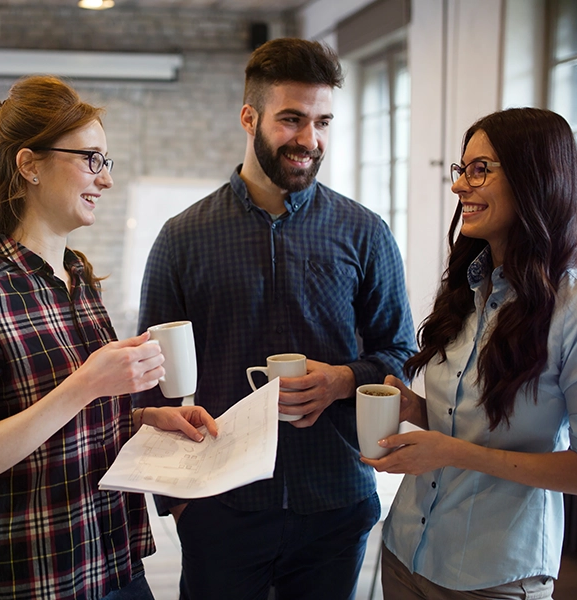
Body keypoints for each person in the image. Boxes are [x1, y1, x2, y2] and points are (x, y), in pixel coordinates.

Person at [136, 37, 416, 600]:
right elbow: (153, 375)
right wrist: (179, 502)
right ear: (249, 116)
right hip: (218, 503)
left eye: (322, 122)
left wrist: (342, 380)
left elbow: (400, 353)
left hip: (335, 501)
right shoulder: (182, 237)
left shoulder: (365, 232)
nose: (309, 140)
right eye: (292, 119)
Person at [0, 75, 218, 600]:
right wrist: (88, 383)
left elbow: (65, 422)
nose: (104, 180)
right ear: (29, 164)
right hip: (38, 576)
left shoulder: (77, 277)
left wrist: (145, 418)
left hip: (112, 556)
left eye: (106, 162)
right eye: (91, 159)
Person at [362, 107, 577, 600]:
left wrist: (455, 453)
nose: (458, 187)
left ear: (535, 178)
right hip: (407, 549)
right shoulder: (467, 288)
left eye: (480, 170)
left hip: (494, 574)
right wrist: (420, 413)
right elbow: (469, 421)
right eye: (462, 169)